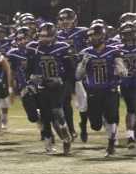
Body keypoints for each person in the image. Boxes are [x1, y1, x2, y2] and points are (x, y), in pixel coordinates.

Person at [76, 23, 127, 157]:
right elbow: (78, 76)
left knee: (111, 118)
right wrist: (83, 64)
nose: (92, 38)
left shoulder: (113, 51)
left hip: (110, 90)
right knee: (96, 125)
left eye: (95, 35)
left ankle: (111, 143)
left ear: (103, 35)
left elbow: (123, 70)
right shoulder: (85, 53)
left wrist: (121, 69)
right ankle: (104, 131)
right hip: (93, 92)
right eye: (91, 35)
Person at [26, 22, 73, 155]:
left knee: (57, 110)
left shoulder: (62, 47)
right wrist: (30, 81)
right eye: (41, 36)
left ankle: (66, 137)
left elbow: (70, 70)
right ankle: (48, 142)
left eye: (47, 36)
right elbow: (28, 69)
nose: (43, 39)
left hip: (58, 85)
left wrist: (61, 80)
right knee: (45, 115)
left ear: (54, 36)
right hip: (41, 84)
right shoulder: (32, 48)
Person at [56, 8, 88, 142]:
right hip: (65, 72)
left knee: (84, 101)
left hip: (81, 70)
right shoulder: (56, 35)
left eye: (68, 19)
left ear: (74, 20)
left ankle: (84, 126)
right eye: (62, 19)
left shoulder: (83, 32)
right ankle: (71, 129)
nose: (65, 22)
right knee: (65, 101)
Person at [117, 21, 136, 149]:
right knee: (132, 108)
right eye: (125, 34)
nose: (128, 37)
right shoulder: (117, 49)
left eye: (130, 34)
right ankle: (130, 136)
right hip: (127, 84)